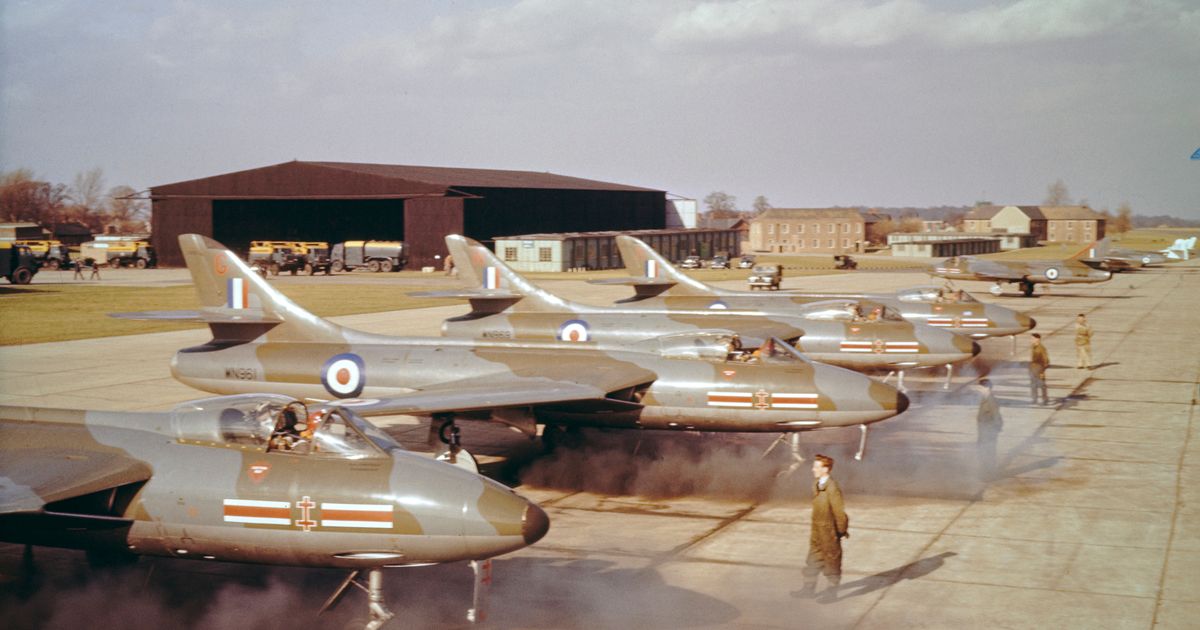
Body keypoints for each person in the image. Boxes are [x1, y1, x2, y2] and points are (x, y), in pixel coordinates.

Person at [791, 454, 849, 602]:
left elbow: (839, 512)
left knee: (831, 559)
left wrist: (841, 530)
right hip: (817, 528)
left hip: (829, 530)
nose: (813, 469)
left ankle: (831, 592)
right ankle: (808, 589)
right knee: (813, 558)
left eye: (816, 467)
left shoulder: (832, 488)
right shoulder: (817, 483)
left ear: (826, 469)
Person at [975, 378, 1003, 479]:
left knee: (987, 451)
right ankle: (986, 473)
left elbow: (996, 413)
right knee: (985, 450)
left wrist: (996, 427)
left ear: (985, 387)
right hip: (985, 428)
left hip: (988, 429)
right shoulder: (986, 396)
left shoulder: (990, 398)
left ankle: (988, 474)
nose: (978, 389)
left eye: (980, 387)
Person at [1029, 333, 1050, 405]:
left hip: (1039, 367)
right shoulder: (1033, 346)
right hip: (1033, 367)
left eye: (1032, 338)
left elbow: (1046, 360)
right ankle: (1034, 399)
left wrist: (1042, 370)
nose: (1031, 340)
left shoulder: (1042, 348)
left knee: (1042, 384)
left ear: (1037, 339)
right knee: (1033, 384)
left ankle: (1045, 399)